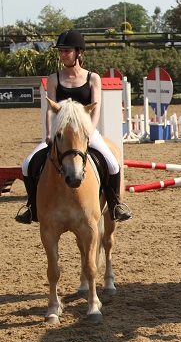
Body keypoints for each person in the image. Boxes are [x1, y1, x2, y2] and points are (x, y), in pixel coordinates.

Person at [16, 29, 131, 224]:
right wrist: (48, 133)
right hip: (61, 134)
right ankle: (32, 208)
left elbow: (96, 109)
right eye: (61, 51)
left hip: (86, 132)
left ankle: (115, 204)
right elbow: (50, 109)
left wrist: (88, 133)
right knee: (27, 164)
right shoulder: (54, 79)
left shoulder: (92, 78)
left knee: (112, 163)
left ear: (79, 52)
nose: (62, 55)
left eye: (66, 51)